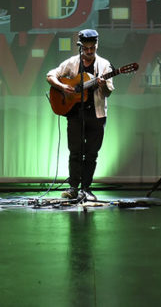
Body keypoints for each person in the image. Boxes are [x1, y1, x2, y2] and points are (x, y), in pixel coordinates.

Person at [46, 29, 115, 202]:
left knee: (92, 153)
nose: (89, 51)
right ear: (81, 46)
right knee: (75, 151)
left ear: (97, 45)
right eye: (86, 48)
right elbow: (50, 75)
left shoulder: (104, 65)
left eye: (93, 48)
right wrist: (63, 87)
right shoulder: (72, 62)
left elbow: (108, 92)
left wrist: (102, 85)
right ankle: (73, 188)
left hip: (97, 114)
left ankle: (86, 188)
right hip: (75, 114)